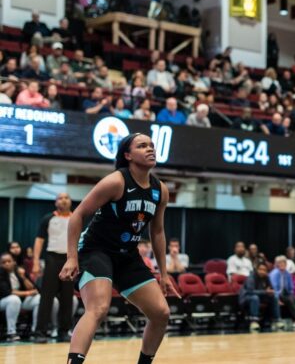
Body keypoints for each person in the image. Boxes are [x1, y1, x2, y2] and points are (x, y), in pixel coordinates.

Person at [59, 133, 179, 364]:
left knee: (161, 313)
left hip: (127, 254)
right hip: (96, 250)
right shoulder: (116, 181)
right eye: (142, 146)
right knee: (99, 307)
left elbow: (157, 232)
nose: (150, 149)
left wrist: (164, 274)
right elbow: (78, 215)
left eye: (151, 145)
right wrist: (72, 258)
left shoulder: (160, 190)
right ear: (128, 155)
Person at [31, 192, 75, 343]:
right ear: (56, 202)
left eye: (66, 198)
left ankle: (64, 332)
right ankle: (40, 332)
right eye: (60, 198)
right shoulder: (48, 218)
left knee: (67, 297)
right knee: (47, 297)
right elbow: (39, 240)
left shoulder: (76, 217)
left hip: (70, 260)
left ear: (70, 201)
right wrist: (36, 261)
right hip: (52, 258)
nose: (63, 200)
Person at [0, 252, 41, 342]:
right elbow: (8, 292)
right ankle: (11, 332)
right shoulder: (1, 274)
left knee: (39, 298)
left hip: (20, 301)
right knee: (14, 299)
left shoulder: (19, 272)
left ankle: (35, 331)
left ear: (14, 262)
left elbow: (33, 287)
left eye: (9, 261)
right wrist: (28, 293)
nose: (7, 263)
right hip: (4, 300)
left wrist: (23, 277)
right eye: (3, 262)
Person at [269, 256, 295, 327]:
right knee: (289, 299)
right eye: (280, 263)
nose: (282, 264)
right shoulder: (274, 273)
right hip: (275, 294)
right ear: (276, 264)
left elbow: (291, 287)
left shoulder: (287, 273)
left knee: (292, 297)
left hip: (285, 294)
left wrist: (291, 294)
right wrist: (277, 299)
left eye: (284, 263)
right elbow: (273, 288)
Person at [239, 263, 279, 331]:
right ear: (256, 270)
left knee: (274, 298)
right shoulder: (251, 277)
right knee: (255, 298)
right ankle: (254, 322)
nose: (262, 271)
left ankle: (276, 321)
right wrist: (265, 292)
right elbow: (250, 291)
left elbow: (270, 289)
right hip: (246, 298)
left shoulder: (267, 278)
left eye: (264, 270)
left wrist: (271, 292)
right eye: (260, 269)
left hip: (260, 297)